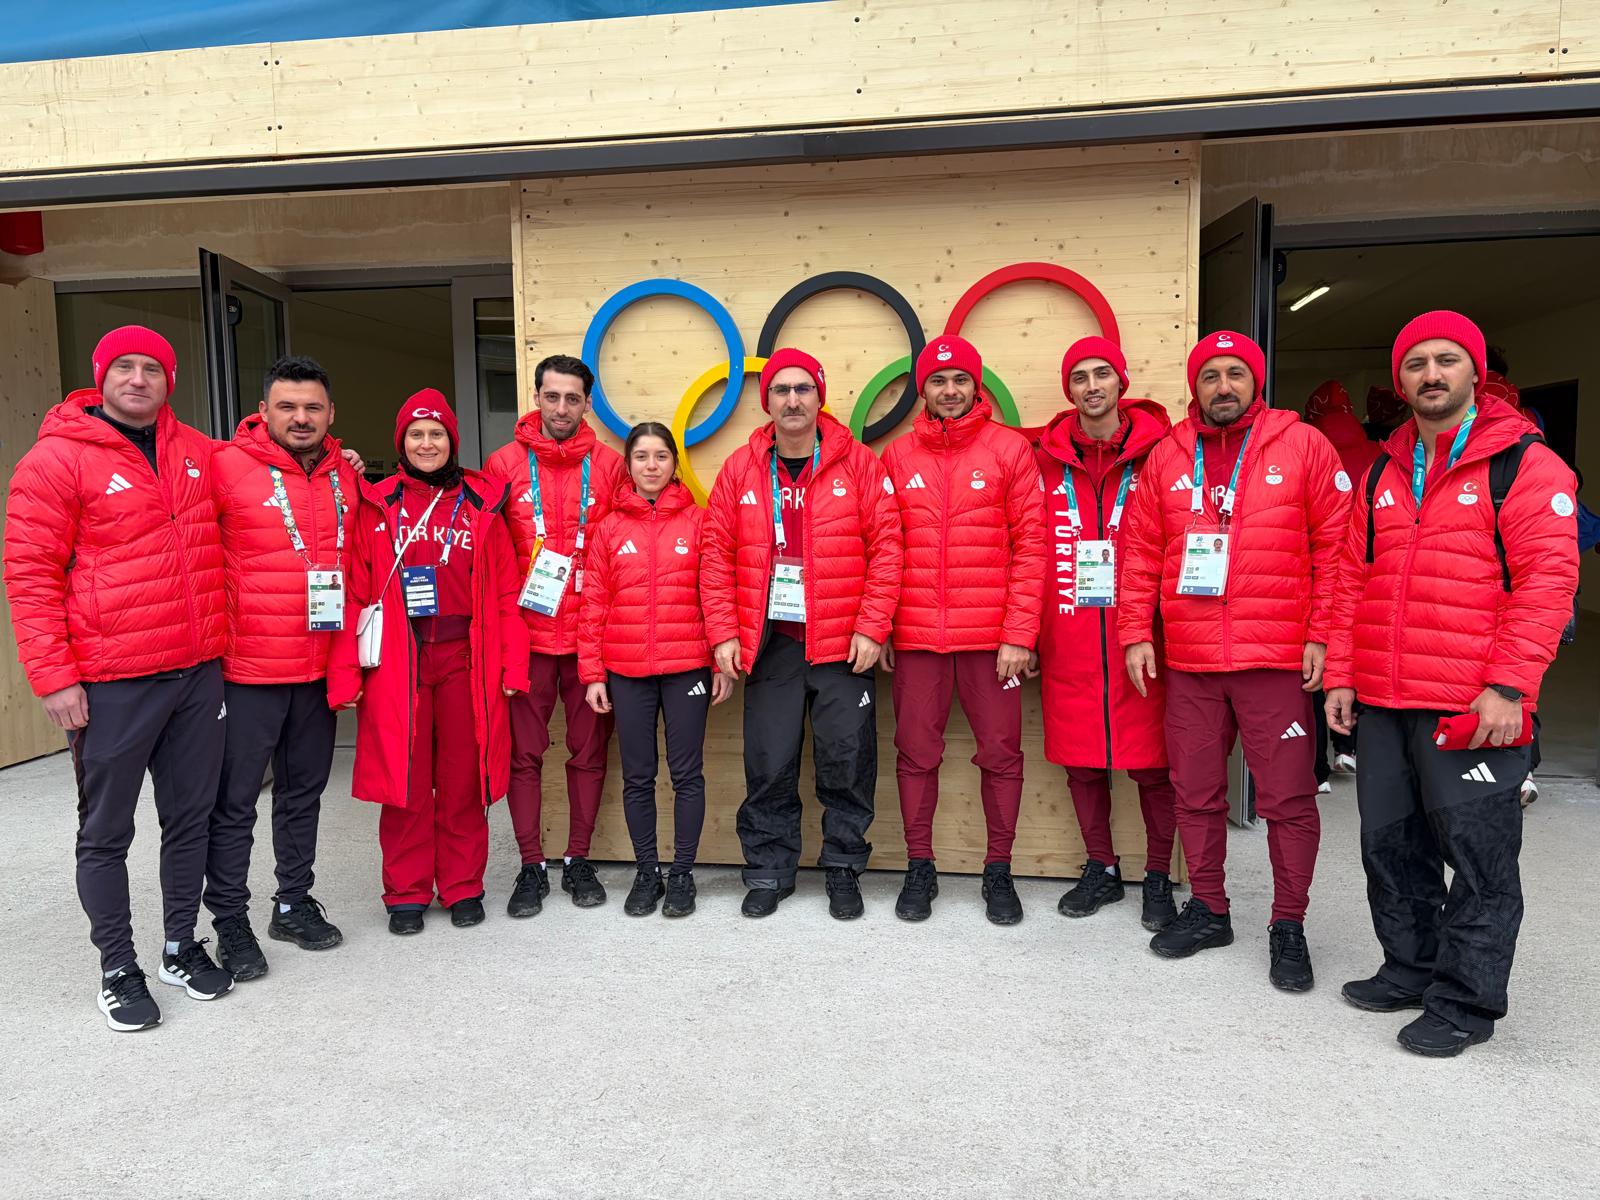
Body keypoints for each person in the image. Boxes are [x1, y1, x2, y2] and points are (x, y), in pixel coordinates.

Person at [1325, 311, 1578, 1057]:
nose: (1430, 375)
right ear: (1399, 380)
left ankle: (1466, 1001)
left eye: (1446, 361)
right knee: (1390, 848)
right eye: (1416, 364)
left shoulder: (1526, 465)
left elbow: (1548, 582)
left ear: (1473, 373)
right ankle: (1409, 966)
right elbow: (1348, 578)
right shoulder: (1379, 469)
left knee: (1479, 860)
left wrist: (1508, 685)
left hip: (1471, 702)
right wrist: (1341, 674)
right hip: (1383, 696)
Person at [3, 325, 231, 1031]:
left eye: (152, 368)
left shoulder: (196, 452)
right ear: (101, 377)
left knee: (190, 819)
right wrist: (53, 678)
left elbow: (262, 473)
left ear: (170, 379)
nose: (138, 379)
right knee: (106, 832)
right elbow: (31, 574)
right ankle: (117, 965)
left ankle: (177, 944)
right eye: (124, 367)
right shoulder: (54, 460)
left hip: (197, 672)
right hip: (111, 679)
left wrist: (338, 462)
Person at [1120, 330, 1349, 991]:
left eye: (1235, 374)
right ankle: (1211, 908)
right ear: (1195, 388)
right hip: (1189, 659)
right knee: (1195, 792)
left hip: (1273, 656)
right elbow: (1139, 551)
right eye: (1211, 375)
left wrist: (1322, 635)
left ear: (1256, 382)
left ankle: (1288, 925)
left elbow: (1336, 547)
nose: (1223, 386)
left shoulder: (1302, 444)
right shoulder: (1168, 455)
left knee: (1288, 799)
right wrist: (1137, 631)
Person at [701, 348, 903, 919]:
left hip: (843, 642)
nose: (792, 400)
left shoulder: (859, 464)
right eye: (781, 390)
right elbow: (715, 556)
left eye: (802, 389)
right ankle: (768, 869)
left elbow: (888, 548)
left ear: (819, 397)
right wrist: (722, 635)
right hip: (769, 645)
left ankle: (843, 867)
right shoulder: (741, 469)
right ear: (766, 401)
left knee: (847, 760)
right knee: (769, 761)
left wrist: (872, 624)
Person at [327, 392, 528, 934]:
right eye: (416, 434)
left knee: (464, 780)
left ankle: (463, 886)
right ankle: (406, 892)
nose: (426, 443)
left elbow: (507, 593)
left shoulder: (483, 501)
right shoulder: (377, 501)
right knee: (406, 781)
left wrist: (513, 667)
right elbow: (355, 593)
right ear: (401, 443)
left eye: (436, 434)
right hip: (400, 660)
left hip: (466, 657)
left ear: (452, 441)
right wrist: (346, 674)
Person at [200, 355, 358, 981]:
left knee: (303, 795)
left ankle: (292, 901)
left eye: (312, 407)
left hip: (317, 668)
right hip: (248, 669)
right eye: (287, 407)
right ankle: (229, 920)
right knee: (235, 802)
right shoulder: (224, 467)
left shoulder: (345, 475)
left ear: (329, 415)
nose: (301, 418)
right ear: (263, 411)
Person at [879, 335, 1044, 925]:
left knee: (1001, 755)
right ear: (922, 389)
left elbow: (1033, 547)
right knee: (915, 755)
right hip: (918, 637)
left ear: (978, 387)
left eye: (960, 381)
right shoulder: (897, 458)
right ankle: (918, 867)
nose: (950, 392)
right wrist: (886, 627)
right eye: (938, 381)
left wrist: (1020, 634)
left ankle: (998, 871)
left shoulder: (1009, 451)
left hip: (992, 643)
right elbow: (884, 549)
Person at [1035, 336, 1180, 932]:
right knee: (1081, 763)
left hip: (1142, 634)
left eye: (1102, 375)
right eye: (1079, 378)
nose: (1091, 386)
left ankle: (1156, 875)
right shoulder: (1042, 459)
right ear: (1068, 391)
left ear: (1122, 382)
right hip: (1067, 630)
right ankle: (1101, 866)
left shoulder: (1165, 453)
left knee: (1153, 764)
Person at [483, 355, 625, 913]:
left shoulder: (611, 465)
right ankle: (528, 865)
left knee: (589, 754)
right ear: (536, 398)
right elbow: (490, 558)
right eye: (552, 396)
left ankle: (579, 859)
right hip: (528, 637)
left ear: (586, 403)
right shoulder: (502, 465)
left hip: (593, 638)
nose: (561, 408)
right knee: (524, 756)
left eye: (572, 398)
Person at [578, 423, 732, 917]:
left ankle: (682, 874)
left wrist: (720, 660)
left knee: (687, 775)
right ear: (628, 465)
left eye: (661, 456)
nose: (651, 465)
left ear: (673, 464)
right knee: (638, 777)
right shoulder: (607, 528)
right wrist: (593, 673)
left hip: (687, 667)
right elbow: (594, 603)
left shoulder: (699, 522)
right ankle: (648, 872)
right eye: (641, 456)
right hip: (626, 670)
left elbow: (715, 595)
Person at [1304, 379, 1371, 786]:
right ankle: (1349, 747)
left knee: (1313, 674)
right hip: (1368, 576)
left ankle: (1317, 771)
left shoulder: (1308, 450)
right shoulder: (1380, 455)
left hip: (1319, 575)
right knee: (1355, 665)